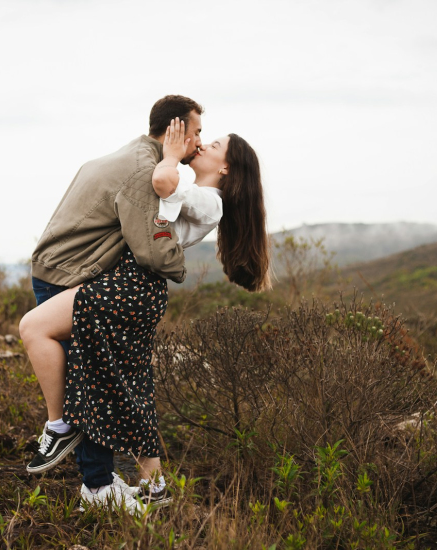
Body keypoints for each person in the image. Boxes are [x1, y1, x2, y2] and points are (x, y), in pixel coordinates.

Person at [20, 106, 271, 512]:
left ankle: (63, 430)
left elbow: (161, 181)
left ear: (226, 168)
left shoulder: (210, 200)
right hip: (133, 286)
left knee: (42, 333)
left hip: (132, 285)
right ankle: (152, 487)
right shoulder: (202, 195)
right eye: (201, 133)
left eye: (214, 141)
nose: (204, 141)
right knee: (125, 386)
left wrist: (171, 154)